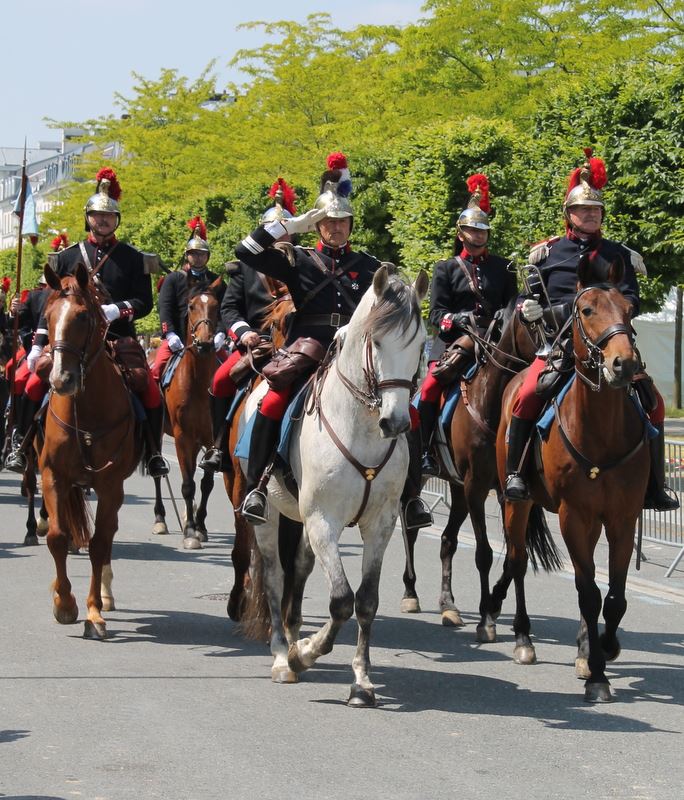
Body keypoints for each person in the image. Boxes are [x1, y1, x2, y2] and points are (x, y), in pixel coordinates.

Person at [503, 148, 678, 512]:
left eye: (596, 211)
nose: (591, 215)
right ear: (569, 214)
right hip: (561, 346)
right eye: (584, 210)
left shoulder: (619, 255)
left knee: (655, 404)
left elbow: (631, 298)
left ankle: (654, 486)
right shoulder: (547, 254)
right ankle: (515, 474)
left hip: (609, 344)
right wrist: (529, 307)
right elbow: (526, 298)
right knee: (527, 395)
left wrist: (603, 308)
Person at [234, 152, 387, 524]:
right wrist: (290, 224)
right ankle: (259, 484)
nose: (336, 227)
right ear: (318, 226)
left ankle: (410, 494)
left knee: (404, 408)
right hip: (308, 347)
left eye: (342, 221)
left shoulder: (369, 266)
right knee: (271, 401)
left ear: (351, 224)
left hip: (356, 350)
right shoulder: (297, 259)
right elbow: (245, 251)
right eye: (328, 222)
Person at [17, 167, 169, 478]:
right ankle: (22, 443)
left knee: (147, 386)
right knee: (33, 382)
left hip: (117, 338)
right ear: (88, 218)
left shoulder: (131, 257)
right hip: (72, 341)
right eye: (98, 216)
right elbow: (53, 307)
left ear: (116, 220)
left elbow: (145, 302)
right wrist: (38, 346)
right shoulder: (66, 257)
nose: (103, 221)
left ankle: (153, 453)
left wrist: (118, 309)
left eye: (109, 217)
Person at [413, 174, 518, 479]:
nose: (478, 235)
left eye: (482, 230)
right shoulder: (445, 269)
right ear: (460, 233)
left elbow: (512, 304)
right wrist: (456, 319)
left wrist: (504, 316)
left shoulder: (503, 267)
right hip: (455, 342)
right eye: (472, 229)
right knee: (430, 387)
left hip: (496, 342)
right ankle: (424, 452)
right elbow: (436, 314)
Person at [200, 178, 295, 473]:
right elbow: (229, 308)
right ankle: (218, 446)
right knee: (219, 381)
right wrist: (246, 332)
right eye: (272, 232)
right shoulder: (245, 267)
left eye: (284, 232)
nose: (279, 238)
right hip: (259, 344)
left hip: (296, 343)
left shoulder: (305, 262)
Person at [2, 235, 65, 472]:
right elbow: (20, 325)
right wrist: (13, 312)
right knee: (18, 378)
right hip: (38, 352)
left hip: (69, 352)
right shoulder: (36, 296)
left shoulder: (77, 294)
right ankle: (19, 429)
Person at [150, 216, 226, 383]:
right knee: (156, 370)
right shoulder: (174, 279)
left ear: (208, 256)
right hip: (177, 337)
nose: (198, 257)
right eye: (193, 254)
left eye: (202, 254)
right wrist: (169, 333)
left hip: (210, 338)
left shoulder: (216, 280)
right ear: (186, 255)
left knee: (230, 372)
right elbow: (165, 307)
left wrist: (221, 332)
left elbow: (224, 311)